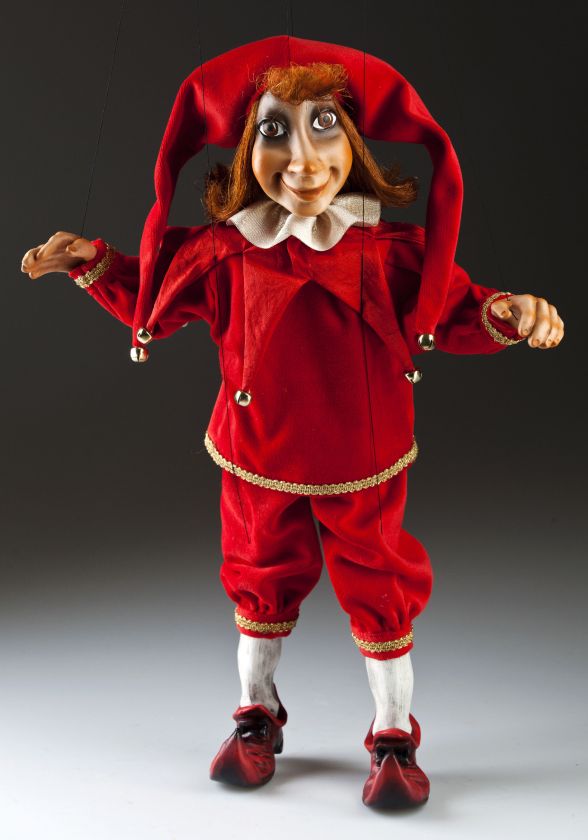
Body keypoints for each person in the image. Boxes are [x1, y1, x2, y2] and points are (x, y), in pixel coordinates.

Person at [21, 36, 564, 809]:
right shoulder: (225, 253)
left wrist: (509, 314)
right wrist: (89, 262)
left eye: (324, 126)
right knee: (258, 585)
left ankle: (394, 734)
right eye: (275, 130)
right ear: (247, 149)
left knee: (380, 590)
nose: (302, 158)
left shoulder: (389, 254)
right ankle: (256, 714)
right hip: (257, 459)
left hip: (363, 461)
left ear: (354, 147)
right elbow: (153, 298)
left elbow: (452, 310)